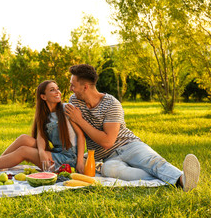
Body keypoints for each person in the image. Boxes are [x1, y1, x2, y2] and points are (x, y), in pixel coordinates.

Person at [64, 64, 200, 192]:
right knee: (109, 170)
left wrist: (80, 120)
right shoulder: (75, 101)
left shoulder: (111, 104)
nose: (71, 88)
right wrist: (80, 160)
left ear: (85, 87)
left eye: (73, 85)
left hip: (129, 145)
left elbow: (107, 142)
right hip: (107, 158)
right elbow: (80, 134)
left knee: (152, 161)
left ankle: (183, 180)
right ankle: (169, 178)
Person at [0, 80, 86, 173]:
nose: (57, 92)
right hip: (56, 152)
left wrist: (80, 161)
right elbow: (41, 136)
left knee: (23, 151)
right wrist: (42, 152)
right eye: (52, 90)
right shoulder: (44, 116)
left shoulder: (66, 109)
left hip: (70, 158)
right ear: (43, 96)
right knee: (24, 138)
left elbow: (81, 135)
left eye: (57, 88)